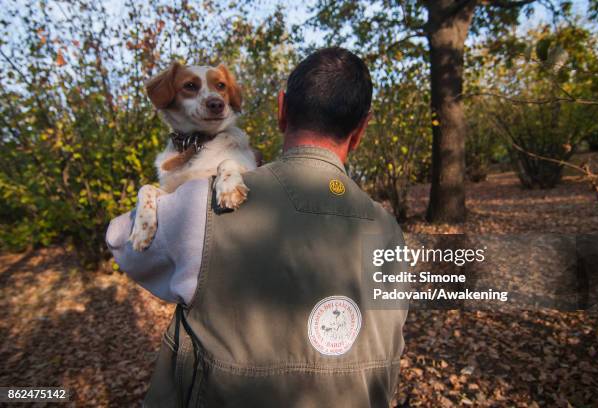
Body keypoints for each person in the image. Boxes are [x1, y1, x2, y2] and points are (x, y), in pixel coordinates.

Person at [106, 47, 407, 407]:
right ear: (361, 130)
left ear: (281, 111)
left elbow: (122, 242)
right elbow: (387, 347)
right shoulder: (390, 231)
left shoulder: (198, 206)